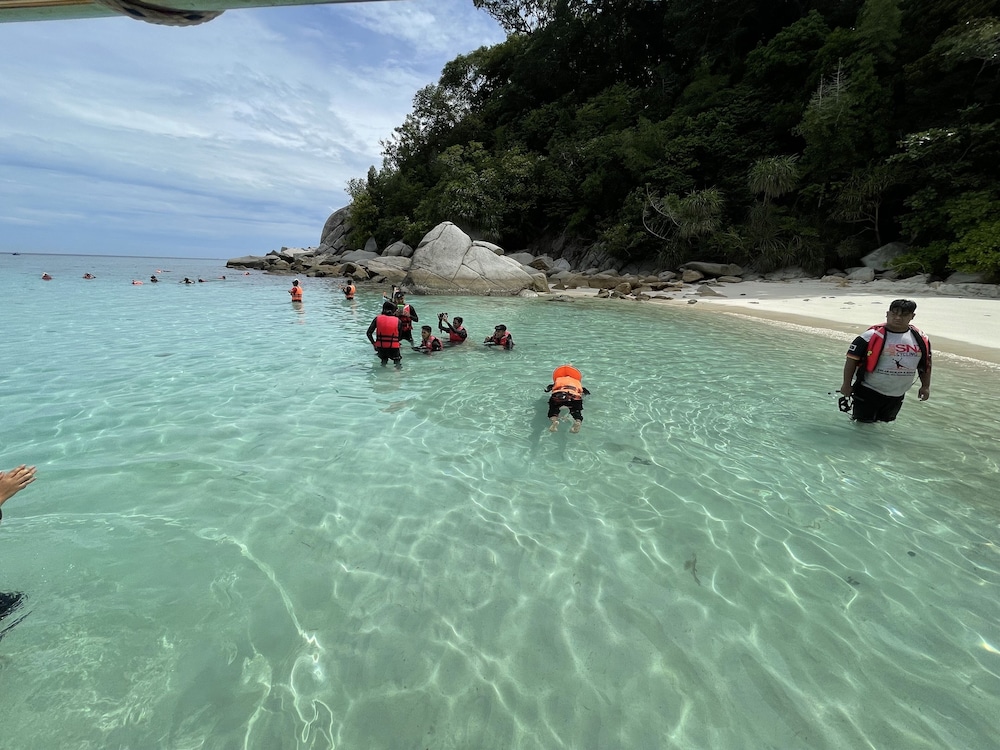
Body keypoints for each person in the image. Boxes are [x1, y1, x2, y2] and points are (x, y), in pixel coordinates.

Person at [839, 299, 931, 423]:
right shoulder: (869, 336)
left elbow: (926, 364)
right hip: (869, 390)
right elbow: (851, 360)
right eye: (894, 314)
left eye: (904, 315)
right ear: (887, 314)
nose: (898, 318)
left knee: (884, 424)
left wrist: (925, 386)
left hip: (897, 394)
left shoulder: (920, 338)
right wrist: (846, 384)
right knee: (862, 425)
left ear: (912, 316)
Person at [545, 365, 590, 433]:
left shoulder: (558, 380)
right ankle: (578, 422)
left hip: (559, 395)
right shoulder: (576, 382)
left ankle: (554, 421)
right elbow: (586, 393)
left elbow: (548, 388)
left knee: (553, 411)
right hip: (574, 396)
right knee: (576, 412)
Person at [366, 301, 403, 367]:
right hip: (393, 348)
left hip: (381, 347)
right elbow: (399, 337)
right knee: (397, 364)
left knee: (383, 362)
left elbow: (369, 333)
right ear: (393, 310)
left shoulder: (377, 319)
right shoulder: (398, 321)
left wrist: (374, 344)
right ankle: (398, 376)